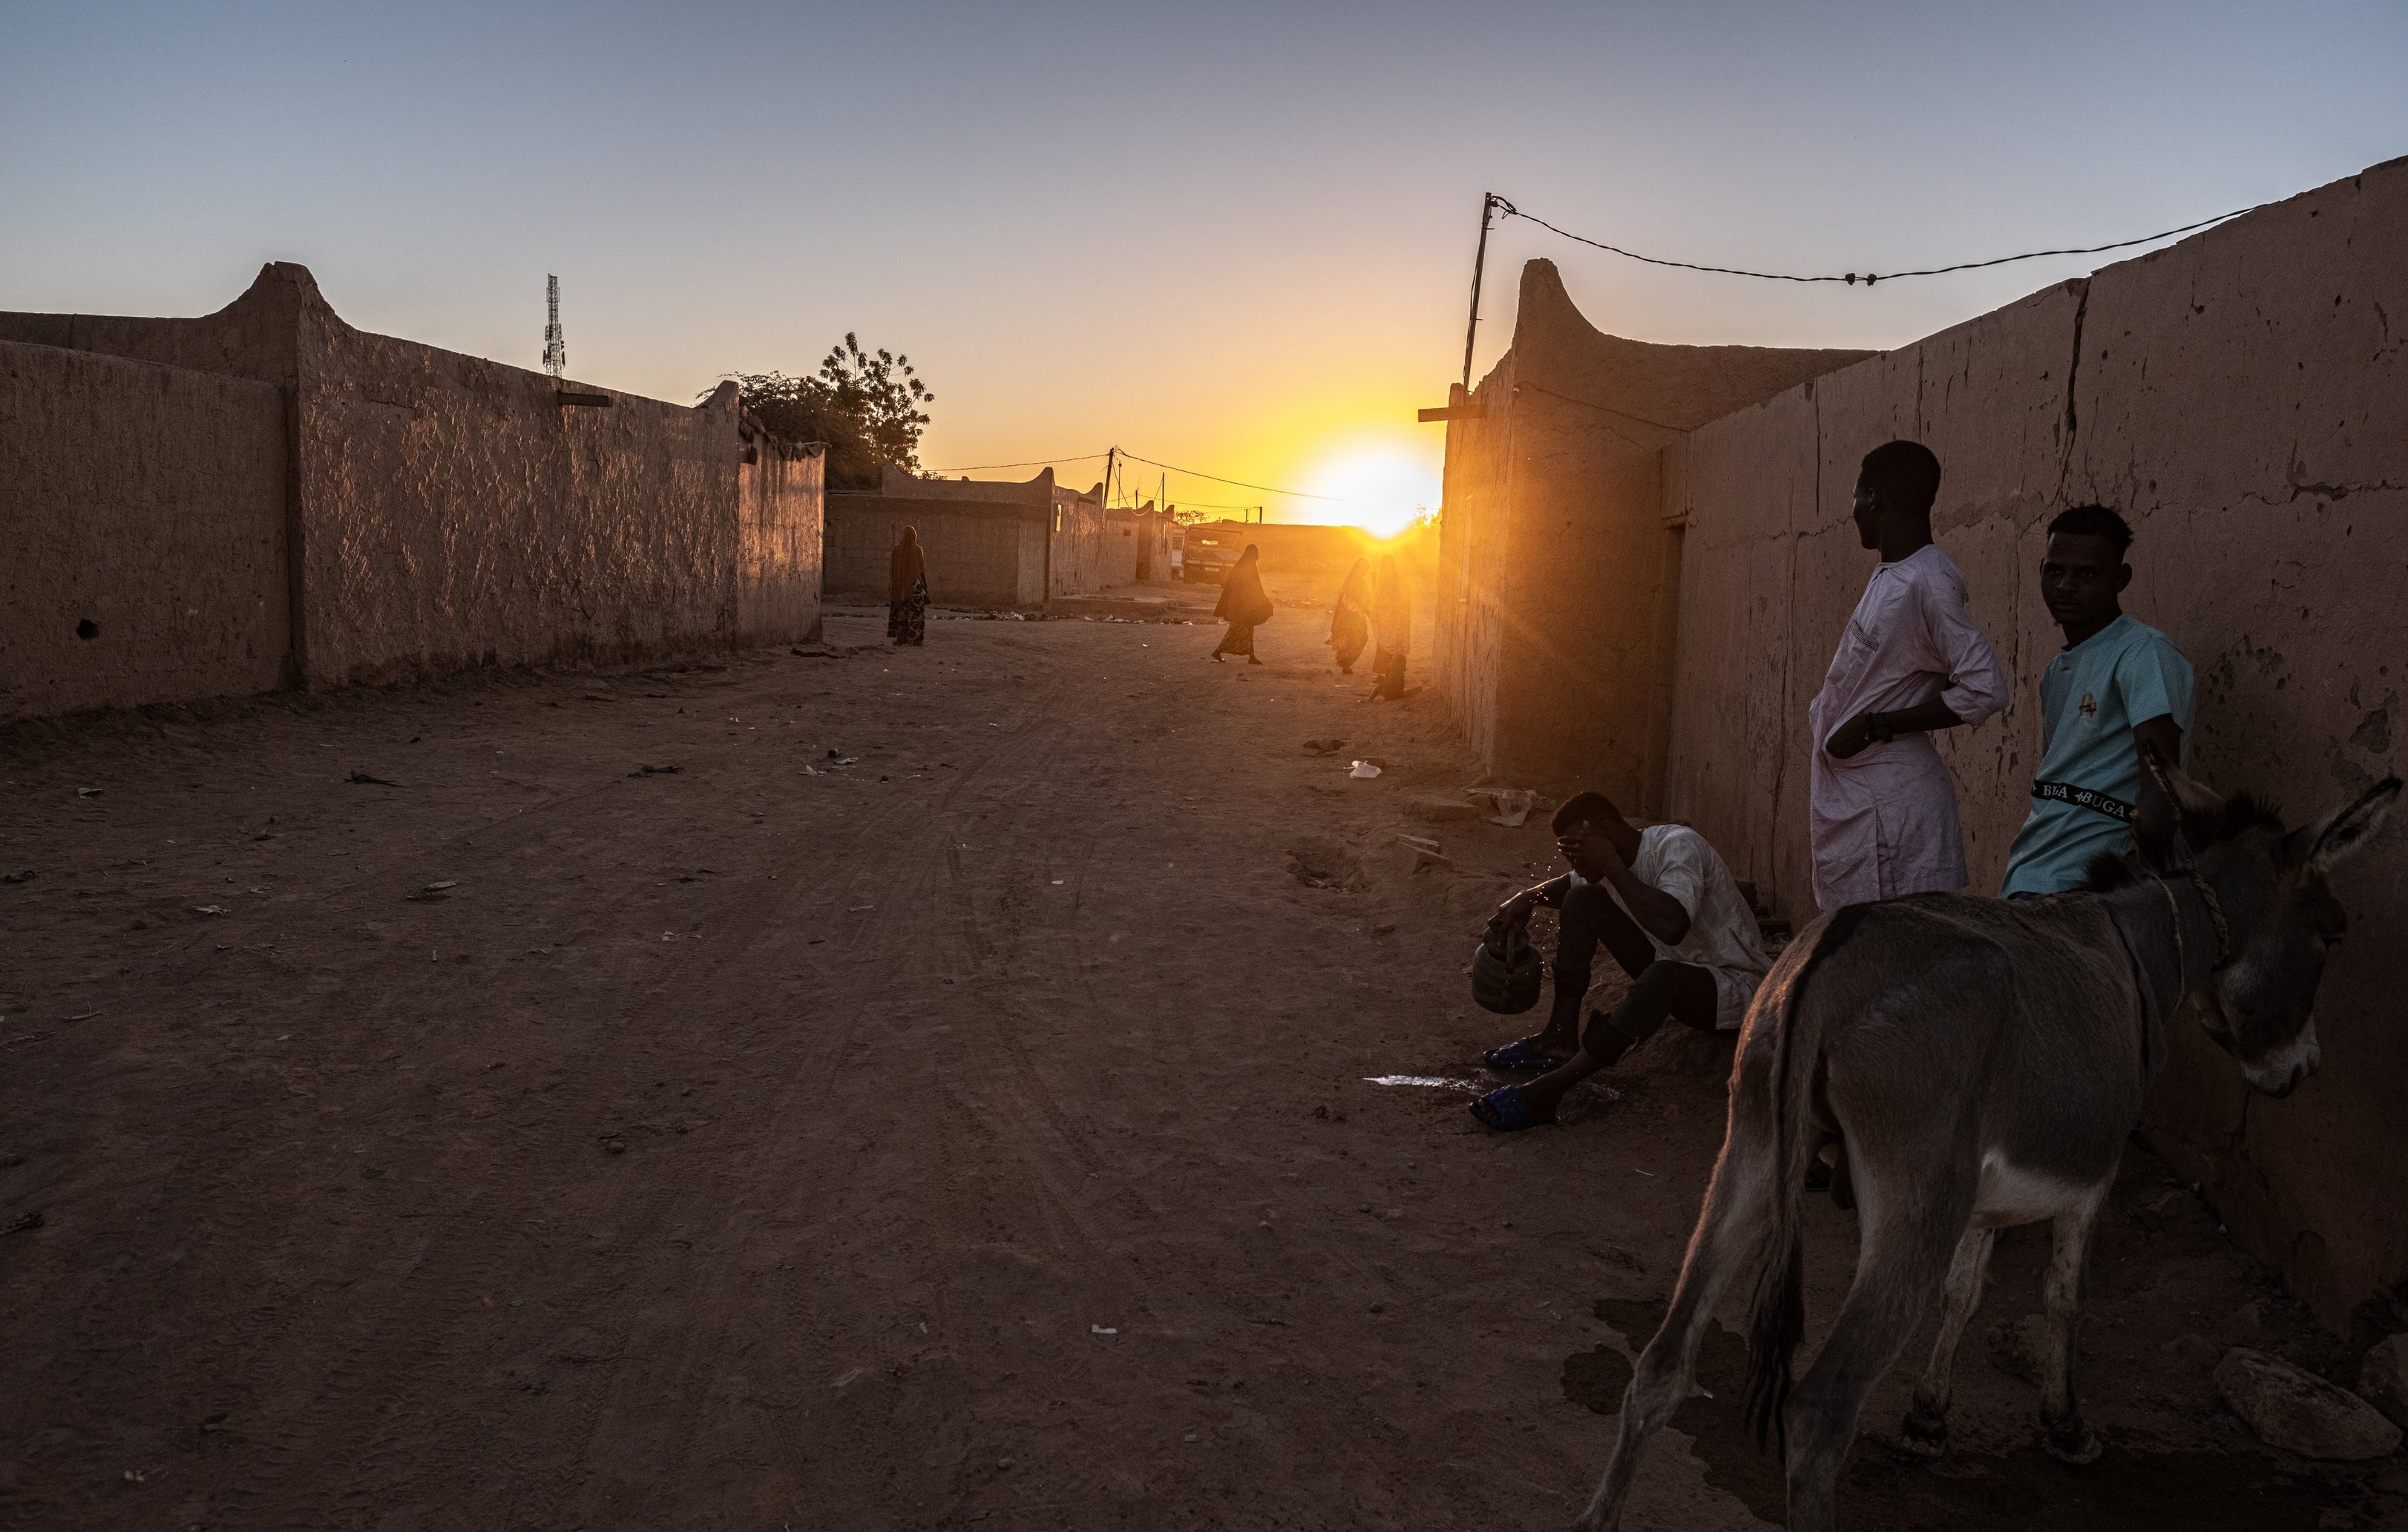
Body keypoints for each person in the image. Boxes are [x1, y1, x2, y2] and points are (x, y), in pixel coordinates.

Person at [1470, 792, 1769, 1131]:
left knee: (1662, 977)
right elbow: (1569, 885)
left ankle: (1549, 1092)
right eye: (1566, 853)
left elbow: (1672, 927)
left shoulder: (1678, 846)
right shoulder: (1604, 864)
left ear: (1605, 833)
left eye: (1577, 850)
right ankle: (1559, 1039)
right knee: (1582, 901)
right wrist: (1527, 898)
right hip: (1672, 966)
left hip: (1738, 990)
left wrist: (1611, 865)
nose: (1573, 863)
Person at [1808, 441, 2007, 912]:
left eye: (1855, 497)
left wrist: (1883, 724)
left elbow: (1985, 687)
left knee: (1895, 961)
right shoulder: (1893, 573)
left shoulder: (1929, 581)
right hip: (1862, 804)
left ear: (1875, 497)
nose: (1853, 510)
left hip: (1893, 812)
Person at [1998, 505, 2194, 896]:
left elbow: (2162, 781)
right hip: (2031, 874)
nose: (2065, 585)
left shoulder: (2142, 652)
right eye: (2055, 570)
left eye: (2085, 573)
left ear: (2120, 579)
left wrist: (2137, 888)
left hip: (2093, 887)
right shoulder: (2057, 671)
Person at [1212, 544, 1272, 663]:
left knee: (1247, 632)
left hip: (1240, 608)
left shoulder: (1241, 566)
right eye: (1257, 553)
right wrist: (1262, 600)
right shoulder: (1249, 566)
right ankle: (1218, 652)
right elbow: (1253, 587)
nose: (1258, 556)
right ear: (1252, 553)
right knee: (1236, 632)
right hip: (1242, 609)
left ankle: (1251, 656)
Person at [1368, 554, 1410, 699]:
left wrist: (1380, 608)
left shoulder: (1394, 579)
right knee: (1387, 646)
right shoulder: (1393, 578)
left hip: (1393, 620)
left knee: (1388, 647)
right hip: (1391, 620)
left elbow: (1383, 598)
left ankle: (1389, 677)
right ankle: (1387, 676)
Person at [1328, 556, 1373, 674]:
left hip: (1348, 616)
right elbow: (1359, 600)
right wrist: (1368, 613)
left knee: (1350, 640)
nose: (1367, 571)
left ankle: (1345, 664)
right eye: (1366, 568)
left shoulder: (1351, 579)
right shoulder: (1357, 581)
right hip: (1354, 616)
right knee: (1359, 638)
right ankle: (1345, 664)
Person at [888, 525, 928, 646]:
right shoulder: (917, 549)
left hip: (900, 588)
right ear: (914, 536)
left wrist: (892, 586)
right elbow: (921, 571)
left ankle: (901, 638)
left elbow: (893, 570)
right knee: (915, 613)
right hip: (915, 587)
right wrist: (926, 589)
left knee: (902, 612)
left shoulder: (896, 550)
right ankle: (915, 639)